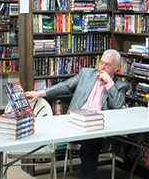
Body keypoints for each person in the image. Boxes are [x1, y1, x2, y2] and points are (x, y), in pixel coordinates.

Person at [25, 49, 129, 179]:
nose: (101, 67)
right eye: (101, 62)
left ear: (116, 68)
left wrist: (109, 83)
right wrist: (40, 93)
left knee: (90, 144)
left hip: (97, 129)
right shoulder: (86, 74)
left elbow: (120, 106)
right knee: (46, 129)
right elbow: (66, 86)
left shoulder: (120, 86)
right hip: (74, 123)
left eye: (107, 65)